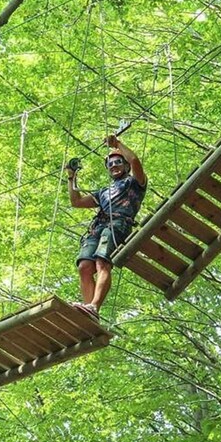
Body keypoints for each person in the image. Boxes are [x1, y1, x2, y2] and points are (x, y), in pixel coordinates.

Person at [66, 134, 147, 320]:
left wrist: (117, 144)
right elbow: (76, 201)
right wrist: (71, 177)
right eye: (110, 165)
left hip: (118, 224)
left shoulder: (135, 183)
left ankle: (94, 306)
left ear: (125, 165)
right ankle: (89, 311)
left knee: (102, 262)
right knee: (84, 267)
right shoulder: (103, 192)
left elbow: (134, 160)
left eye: (118, 162)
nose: (114, 166)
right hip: (98, 227)